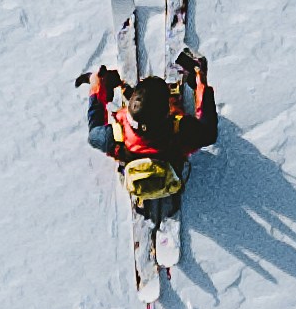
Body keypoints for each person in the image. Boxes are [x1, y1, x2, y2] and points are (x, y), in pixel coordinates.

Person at [83, 42, 218, 224]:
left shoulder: (115, 136)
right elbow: (209, 132)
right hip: (172, 161)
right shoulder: (182, 132)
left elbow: (93, 134)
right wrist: (201, 80)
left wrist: (97, 88)